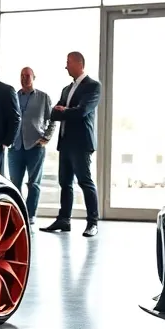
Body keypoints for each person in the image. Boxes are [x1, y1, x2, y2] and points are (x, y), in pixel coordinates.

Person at [43, 51, 101, 237]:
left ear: (78, 63)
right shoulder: (66, 89)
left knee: (85, 181)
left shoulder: (92, 86)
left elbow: (82, 111)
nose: (65, 66)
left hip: (81, 143)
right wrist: (64, 110)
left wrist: (65, 110)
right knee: (65, 183)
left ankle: (92, 222)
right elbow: (54, 113)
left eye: (68, 62)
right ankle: (64, 220)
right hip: (65, 143)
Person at [8, 66, 55, 223]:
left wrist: (46, 137)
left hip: (35, 146)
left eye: (27, 75)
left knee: (34, 183)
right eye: (22, 75)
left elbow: (52, 120)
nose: (24, 78)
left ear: (34, 77)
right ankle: (17, 214)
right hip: (15, 147)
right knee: (14, 183)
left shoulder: (43, 97)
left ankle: (30, 215)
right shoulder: (14, 96)